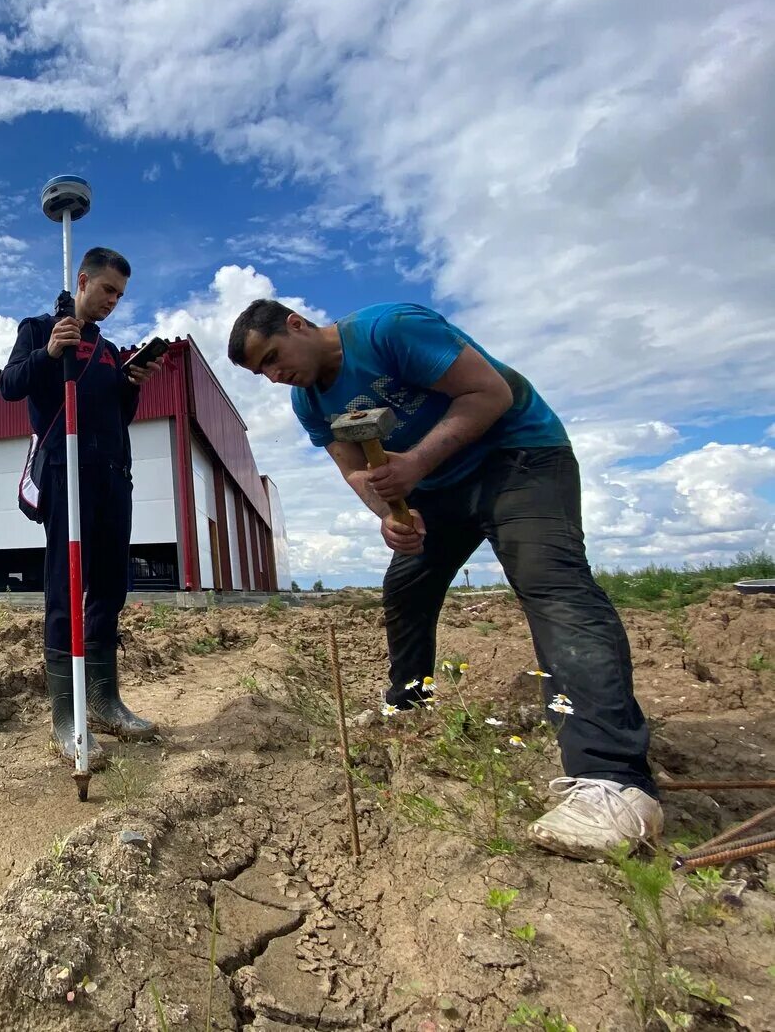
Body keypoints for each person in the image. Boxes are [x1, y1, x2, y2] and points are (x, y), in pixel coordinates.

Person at [226, 299, 661, 859]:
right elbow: (356, 469)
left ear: (297, 324)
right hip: (435, 491)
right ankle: (409, 704)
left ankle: (616, 782)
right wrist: (389, 515)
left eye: (273, 357)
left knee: (554, 590)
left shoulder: (390, 332)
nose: (274, 374)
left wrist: (415, 465)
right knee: (406, 589)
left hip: (519, 458)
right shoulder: (309, 400)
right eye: (260, 372)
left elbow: (490, 393)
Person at [1, 247, 166, 768]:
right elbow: (9, 387)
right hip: (64, 472)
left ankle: (103, 701)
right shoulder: (38, 329)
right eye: (107, 290)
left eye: (120, 295)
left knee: (111, 584)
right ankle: (65, 719)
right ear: (82, 279)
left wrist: (133, 386)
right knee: (65, 586)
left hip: (113, 475)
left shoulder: (112, 351)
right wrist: (49, 352)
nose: (113, 301)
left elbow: (117, 415)